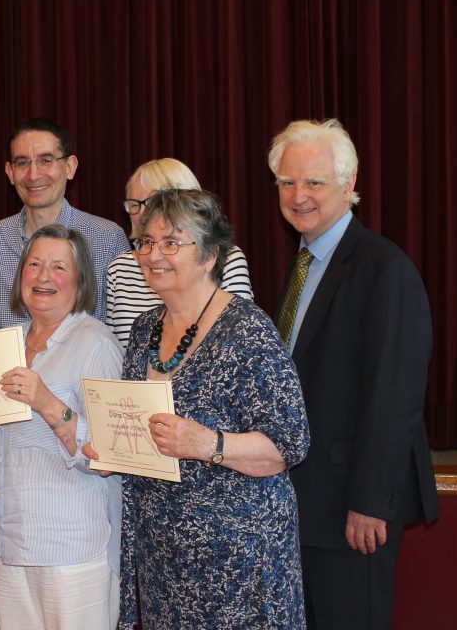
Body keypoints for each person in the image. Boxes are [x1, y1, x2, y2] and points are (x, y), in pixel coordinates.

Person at [86, 189, 310, 628]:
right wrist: (118, 452)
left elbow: (289, 444)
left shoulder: (247, 331)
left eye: (171, 242)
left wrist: (206, 443)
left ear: (209, 256)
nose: (153, 255)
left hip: (238, 560)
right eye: (145, 242)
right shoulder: (144, 328)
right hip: (162, 555)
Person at [268, 119, 438, 630]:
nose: (299, 196)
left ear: (349, 183)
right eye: (287, 182)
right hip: (307, 502)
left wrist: (369, 503)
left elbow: (395, 396)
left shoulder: (384, 269)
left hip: (351, 511)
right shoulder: (303, 264)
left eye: (314, 183)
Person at [0, 225, 122, 629]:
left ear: (81, 280)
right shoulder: (2, 345)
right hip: (7, 543)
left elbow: (110, 457)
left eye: (58, 267)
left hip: (69, 549)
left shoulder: (95, 343)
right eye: (34, 265)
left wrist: (48, 403)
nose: (43, 277)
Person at [0, 117, 130, 332]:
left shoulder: (107, 238)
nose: (33, 175)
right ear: (10, 172)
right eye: (22, 162)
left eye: (46, 160)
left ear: (70, 167)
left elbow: (122, 333)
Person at [105, 158, 255, 346]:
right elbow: (115, 350)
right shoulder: (119, 268)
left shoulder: (227, 259)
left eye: (154, 202)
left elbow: (240, 334)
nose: (144, 213)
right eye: (135, 204)